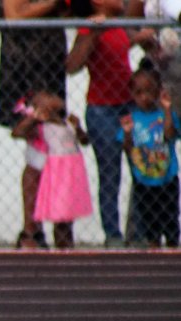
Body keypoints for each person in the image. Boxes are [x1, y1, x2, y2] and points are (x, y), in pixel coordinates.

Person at [0, 0, 70, 249]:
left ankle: (62, 225)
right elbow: (14, 15)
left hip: (50, 60)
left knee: (58, 147)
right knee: (34, 147)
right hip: (24, 64)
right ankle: (31, 229)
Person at [67, 0, 141, 247]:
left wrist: (144, 37)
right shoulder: (91, 28)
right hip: (102, 109)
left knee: (140, 168)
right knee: (110, 174)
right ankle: (113, 233)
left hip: (128, 105)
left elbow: (125, 45)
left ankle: (139, 232)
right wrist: (91, 35)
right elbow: (72, 65)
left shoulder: (119, 25)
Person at [14, 89, 91, 248]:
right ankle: (42, 244)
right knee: (47, 216)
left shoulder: (68, 123)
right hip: (50, 177)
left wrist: (79, 128)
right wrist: (33, 118)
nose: (52, 97)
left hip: (68, 178)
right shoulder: (41, 128)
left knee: (66, 218)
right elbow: (17, 133)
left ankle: (66, 249)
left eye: (52, 95)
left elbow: (84, 141)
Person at [120, 65, 179, 246]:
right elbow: (127, 147)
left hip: (166, 178)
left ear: (158, 92)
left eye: (149, 91)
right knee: (150, 225)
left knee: (170, 221)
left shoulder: (164, 116)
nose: (145, 97)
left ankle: (172, 253)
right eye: (139, 93)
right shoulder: (133, 119)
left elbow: (169, 135)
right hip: (144, 180)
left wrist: (167, 109)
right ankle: (154, 253)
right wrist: (128, 132)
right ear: (132, 94)